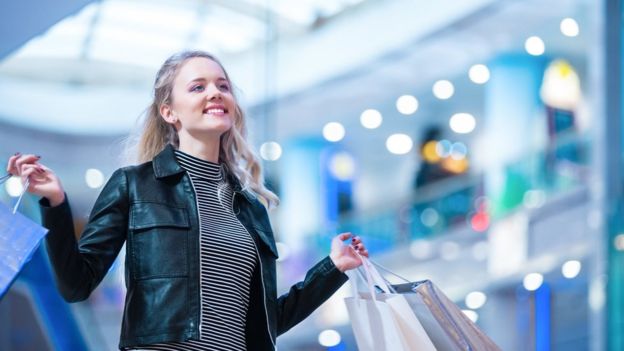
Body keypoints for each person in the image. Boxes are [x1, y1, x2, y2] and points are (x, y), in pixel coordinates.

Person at [7, 51, 368, 351]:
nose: (215, 93)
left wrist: (332, 268)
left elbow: (268, 321)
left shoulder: (249, 210)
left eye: (223, 86)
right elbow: (76, 285)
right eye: (198, 86)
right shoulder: (135, 185)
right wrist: (54, 204)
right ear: (169, 112)